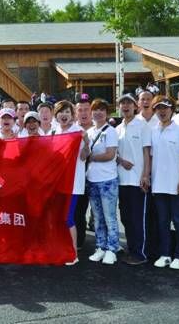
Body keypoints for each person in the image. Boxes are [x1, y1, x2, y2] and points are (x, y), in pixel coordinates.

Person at [147, 95, 179, 270]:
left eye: (165, 108)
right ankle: (165, 254)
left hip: (176, 185)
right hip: (158, 185)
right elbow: (150, 158)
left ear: (172, 110)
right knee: (162, 222)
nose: (162, 111)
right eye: (158, 108)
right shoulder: (153, 131)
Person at [115, 93, 152, 266]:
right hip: (122, 181)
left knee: (138, 219)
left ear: (135, 106)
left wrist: (145, 175)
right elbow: (114, 154)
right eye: (122, 103)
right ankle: (131, 249)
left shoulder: (142, 125)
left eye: (128, 103)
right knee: (125, 217)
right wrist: (121, 161)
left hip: (138, 180)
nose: (125, 106)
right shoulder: (117, 128)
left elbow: (147, 153)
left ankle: (140, 253)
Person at [54, 100, 90, 265]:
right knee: (59, 217)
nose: (64, 115)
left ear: (72, 115)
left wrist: (86, 142)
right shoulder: (55, 131)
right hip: (58, 183)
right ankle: (63, 248)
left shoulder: (78, 132)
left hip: (73, 183)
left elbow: (84, 156)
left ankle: (73, 253)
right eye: (61, 112)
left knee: (68, 218)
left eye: (67, 112)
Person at [86, 99, 119, 265]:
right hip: (92, 179)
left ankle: (112, 248)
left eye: (102, 110)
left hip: (107, 180)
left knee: (109, 217)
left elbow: (110, 155)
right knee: (97, 217)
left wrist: (92, 157)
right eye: (95, 110)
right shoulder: (89, 132)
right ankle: (100, 246)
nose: (98, 113)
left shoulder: (111, 131)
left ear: (107, 113)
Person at [74, 93, 93, 247]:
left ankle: (105, 245)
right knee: (79, 210)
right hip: (78, 177)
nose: (83, 113)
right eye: (80, 110)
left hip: (98, 176)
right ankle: (79, 241)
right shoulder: (72, 130)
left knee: (100, 212)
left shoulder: (100, 127)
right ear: (76, 112)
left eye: (86, 109)